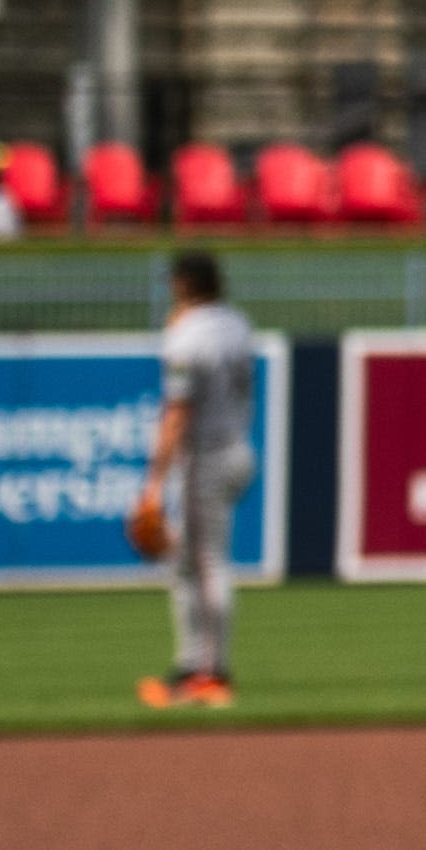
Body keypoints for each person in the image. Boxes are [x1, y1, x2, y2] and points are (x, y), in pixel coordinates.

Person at [139, 251, 260, 711]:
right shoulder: (236, 323)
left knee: (206, 566)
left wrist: (154, 481)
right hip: (238, 448)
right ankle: (194, 664)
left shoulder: (186, 336)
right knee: (190, 565)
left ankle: (212, 673)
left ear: (183, 284)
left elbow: (176, 413)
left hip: (205, 459)